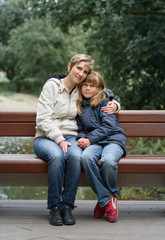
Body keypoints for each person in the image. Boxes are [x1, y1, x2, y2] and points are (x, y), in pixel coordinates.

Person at [33, 54, 120, 226]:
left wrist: (115, 104)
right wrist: (59, 139)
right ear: (69, 67)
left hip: (71, 137)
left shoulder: (81, 90)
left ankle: (67, 207)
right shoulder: (52, 86)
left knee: (76, 157)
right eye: (78, 68)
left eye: (85, 71)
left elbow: (102, 91)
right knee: (57, 156)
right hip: (46, 137)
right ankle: (55, 207)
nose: (81, 74)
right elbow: (43, 119)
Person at [76, 71, 126, 223]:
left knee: (108, 161)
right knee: (85, 157)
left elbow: (109, 127)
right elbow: (80, 129)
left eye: (92, 86)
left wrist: (89, 139)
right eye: (85, 84)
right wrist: (82, 138)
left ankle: (103, 200)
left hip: (113, 140)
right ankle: (107, 199)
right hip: (95, 143)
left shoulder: (106, 102)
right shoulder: (79, 105)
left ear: (99, 89)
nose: (88, 88)